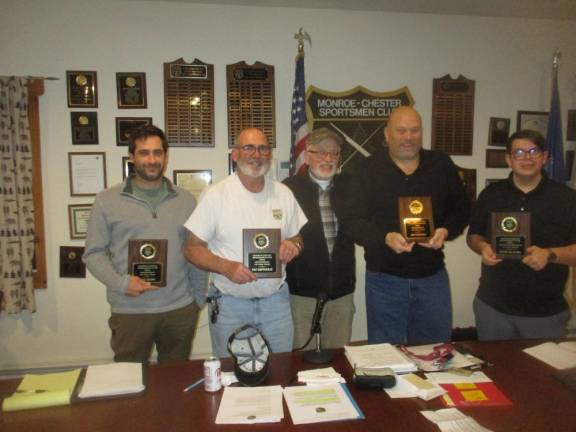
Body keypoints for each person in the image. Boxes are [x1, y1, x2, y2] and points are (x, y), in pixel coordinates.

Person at [339, 106, 470, 345]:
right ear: (387, 134)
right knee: (386, 355)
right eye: (401, 131)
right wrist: (384, 237)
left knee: (435, 353)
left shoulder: (441, 164)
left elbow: (462, 210)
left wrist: (445, 230)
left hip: (432, 278)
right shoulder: (367, 169)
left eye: (414, 131)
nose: (408, 137)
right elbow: (351, 221)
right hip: (384, 280)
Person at [83, 125, 205, 363]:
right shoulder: (107, 200)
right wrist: (121, 283)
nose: (152, 160)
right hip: (130, 310)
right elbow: (93, 253)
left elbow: (195, 250)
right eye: (144, 153)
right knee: (128, 383)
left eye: (158, 153)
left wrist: (197, 298)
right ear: (132, 156)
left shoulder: (186, 200)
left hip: (178, 310)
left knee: (174, 382)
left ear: (165, 156)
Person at [183, 128, 307, 357]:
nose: (256, 154)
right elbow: (191, 248)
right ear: (235, 154)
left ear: (269, 154)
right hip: (231, 304)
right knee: (234, 376)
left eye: (263, 148)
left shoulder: (283, 193)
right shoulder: (216, 195)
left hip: (276, 302)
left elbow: (297, 236)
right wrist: (225, 267)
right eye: (248, 147)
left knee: (280, 369)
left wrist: (294, 245)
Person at [467, 129, 576, 340]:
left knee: (542, 374)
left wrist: (550, 254)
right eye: (518, 152)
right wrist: (483, 248)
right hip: (493, 308)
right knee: (496, 370)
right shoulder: (491, 194)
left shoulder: (567, 199)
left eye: (533, 151)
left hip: (545, 313)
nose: (526, 158)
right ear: (509, 159)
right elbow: (474, 235)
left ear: (545, 157)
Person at [283, 128, 356, 350]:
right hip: (302, 295)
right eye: (321, 152)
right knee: (301, 360)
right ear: (307, 155)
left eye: (334, 153)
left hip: (341, 294)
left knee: (338, 357)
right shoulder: (288, 189)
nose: (328, 158)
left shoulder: (350, 186)